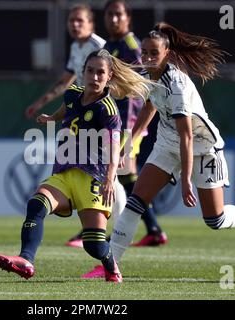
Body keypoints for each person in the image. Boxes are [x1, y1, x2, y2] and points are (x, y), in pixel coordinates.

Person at [86, 22, 235, 278]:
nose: (146, 57)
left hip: (202, 147)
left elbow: (186, 136)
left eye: (153, 53)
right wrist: (129, 143)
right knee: (136, 201)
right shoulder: (149, 76)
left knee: (215, 219)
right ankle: (109, 266)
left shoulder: (175, 84)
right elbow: (148, 107)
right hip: (168, 144)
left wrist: (186, 180)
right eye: (144, 52)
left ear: (167, 53)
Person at [0, 49, 156, 283]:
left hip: (93, 179)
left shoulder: (107, 110)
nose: (95, 77)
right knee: (36, 204)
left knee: (93, 244)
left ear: (109, 76)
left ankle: (111, 266)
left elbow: (113, 149)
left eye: (101, 73)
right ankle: (26, 260)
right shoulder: (73, 93)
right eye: (91, 71)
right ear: (83, 73)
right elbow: (67, 109)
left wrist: (110, 179)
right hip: (64, 173)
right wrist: (52, 118)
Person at [67, 0, 167, 251]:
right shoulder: (109, 46)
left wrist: (132, 127)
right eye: (109, 14)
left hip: (125, 123)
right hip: (110, 121)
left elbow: (138, 86)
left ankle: (100, 228)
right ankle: (151, 228)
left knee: (117, 173)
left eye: (118, 14)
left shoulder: (132, 46)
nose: (113, 19)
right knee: (124, 176)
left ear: (128, 18)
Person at [24, 4, 105, 119]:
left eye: (80, 20)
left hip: (101, 108)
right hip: (85, 106)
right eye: (71, 20)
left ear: (90, 24)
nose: (75, 24)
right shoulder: (75, 47)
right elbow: (64, 83)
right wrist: (39, 104)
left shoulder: (100, 46)